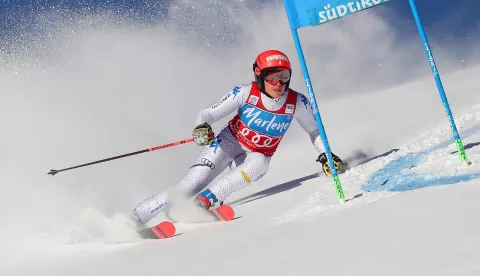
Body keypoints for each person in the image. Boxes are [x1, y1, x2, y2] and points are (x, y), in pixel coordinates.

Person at [131, 49, 344, 226]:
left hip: (255, 155)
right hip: (228, 143)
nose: (278, 83)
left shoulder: (297, 102)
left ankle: (203, 204)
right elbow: (207, 113)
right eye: (271, 76)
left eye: (284, 76)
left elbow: (315, 131)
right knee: (188, 186)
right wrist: (201, 127)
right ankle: (138, 216)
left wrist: (327, 156)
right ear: (259, 75)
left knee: (260, 163)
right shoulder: (244, 93)